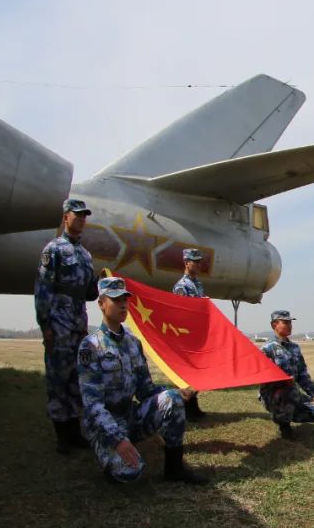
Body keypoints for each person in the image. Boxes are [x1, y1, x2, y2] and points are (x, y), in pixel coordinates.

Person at [77, 277, 207, 485]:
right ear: (101, 304)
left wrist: (177, 392)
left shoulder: (133, 343)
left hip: (129, 416)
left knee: (172, 398)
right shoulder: (91, 346)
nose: (122, 304)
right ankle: (112, 455)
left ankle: (174, 469)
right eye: (115, 299)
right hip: (105, 424)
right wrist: (117, 440)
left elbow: (146, 390)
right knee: (129, 472)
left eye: (124, 299)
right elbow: (92, 406)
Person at [35, 198, 98, 454]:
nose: (82, 219)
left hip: (78, 324)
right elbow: (43, 289)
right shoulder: (54, 250)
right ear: (65, 218)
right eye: (77, 215)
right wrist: (46, 326)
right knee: (58, 380)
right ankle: (62, 437)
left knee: (75, 379)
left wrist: (101, 284)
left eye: (84, 216)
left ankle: (74, 433)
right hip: (58, 324)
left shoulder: (85, 254)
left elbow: (89, 293)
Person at [259, 311, 314, 440]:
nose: (289, 325)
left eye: (290, 322)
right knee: (287, 392)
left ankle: (283, 415)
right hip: (273, 394)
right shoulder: (267, 349)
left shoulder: (294, 347)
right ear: (274, 325)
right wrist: (281, 380)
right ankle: (284, 425)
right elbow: (261, 374)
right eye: (285, 322)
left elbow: (302, 373)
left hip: (292, 393)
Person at [173, 248, 208, 422]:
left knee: (196, 372)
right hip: (186, 336)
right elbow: (180, 313)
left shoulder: (198, 285)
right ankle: (184, 407)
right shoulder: (181, 286)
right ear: (187, 263)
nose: (200, 264)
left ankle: (193, 403)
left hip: (197, 335)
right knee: (184, 373)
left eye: (200, 261)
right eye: (196, 261)